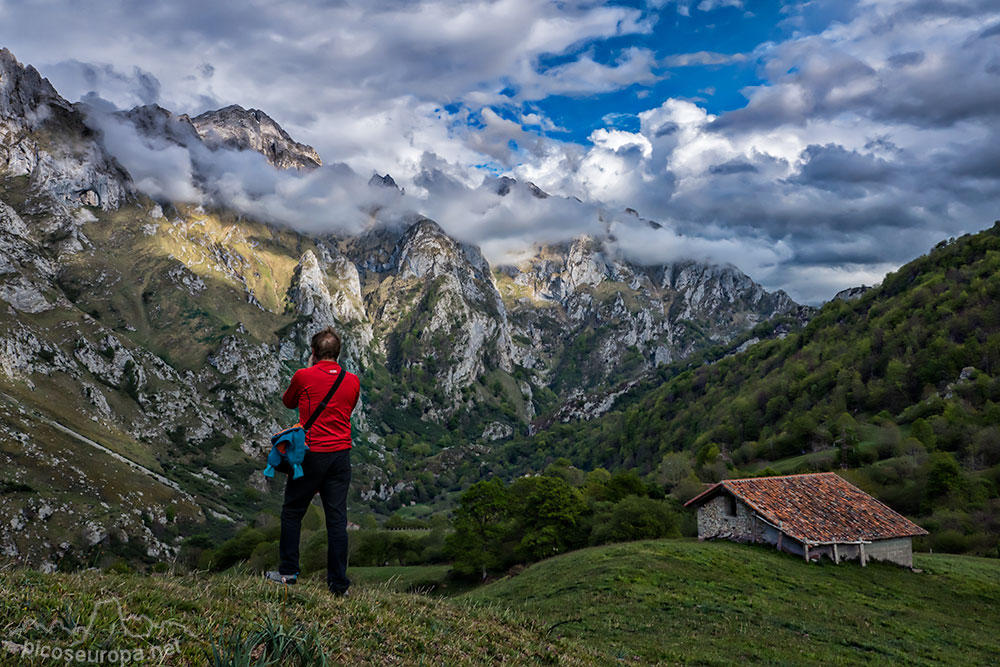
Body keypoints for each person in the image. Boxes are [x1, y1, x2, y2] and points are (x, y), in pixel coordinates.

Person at [265, 326, 360, 596]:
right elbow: (348, 408)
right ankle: (339, 585)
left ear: (314, 353)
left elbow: (287, 401)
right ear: (338, 354)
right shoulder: (352, 380)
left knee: (293, 512)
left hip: (312, 455)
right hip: (341, 456)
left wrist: (309, 370)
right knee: (337, 521)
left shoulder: (304, 376)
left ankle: (288, 573)